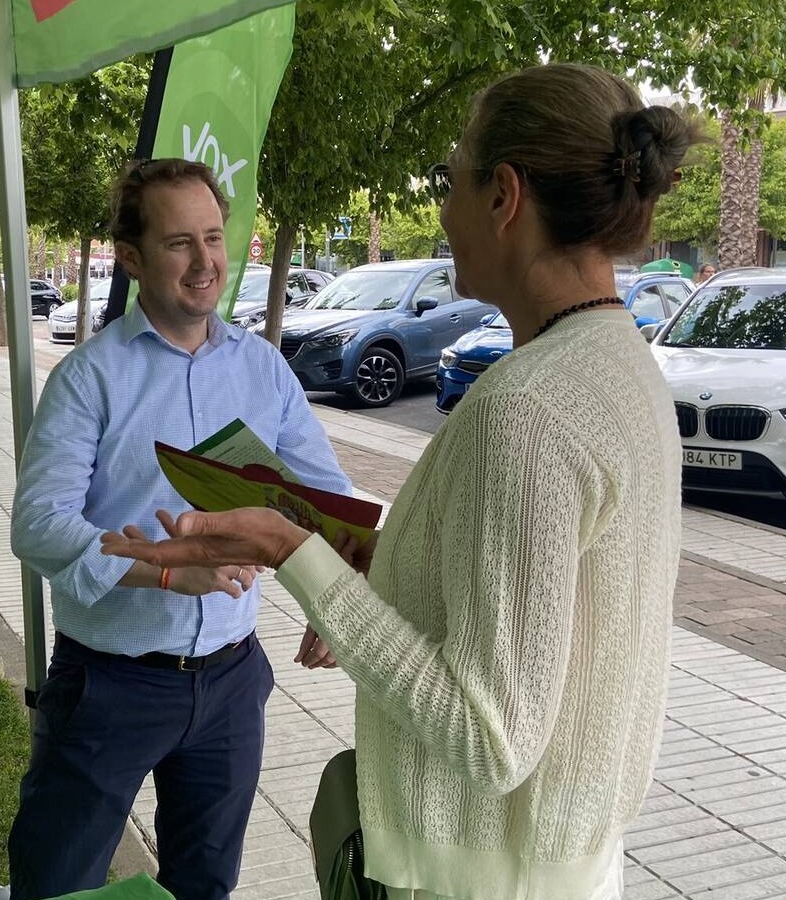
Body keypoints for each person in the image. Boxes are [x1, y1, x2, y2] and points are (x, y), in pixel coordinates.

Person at [100, 64, 698, 900]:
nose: (443, 212)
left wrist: (292, 552)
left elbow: (488, 738)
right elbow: (532, 599)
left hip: (473, 877)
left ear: (504, 196)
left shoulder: (527, 410)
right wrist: (374, 554)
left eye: (447, 181)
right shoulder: (618, 364)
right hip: (560, 861)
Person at [5, 158, 353, 900]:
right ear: (129, 259)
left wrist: (337, 594)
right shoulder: (90, 377)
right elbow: (36, 526)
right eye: (178, 244)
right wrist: (165, 569)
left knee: (204, 883)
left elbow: (323, 495)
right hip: (108, 683)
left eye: (214, 238)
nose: (205, 265)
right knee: (57, 882)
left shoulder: (262, 369)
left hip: (231, 679)